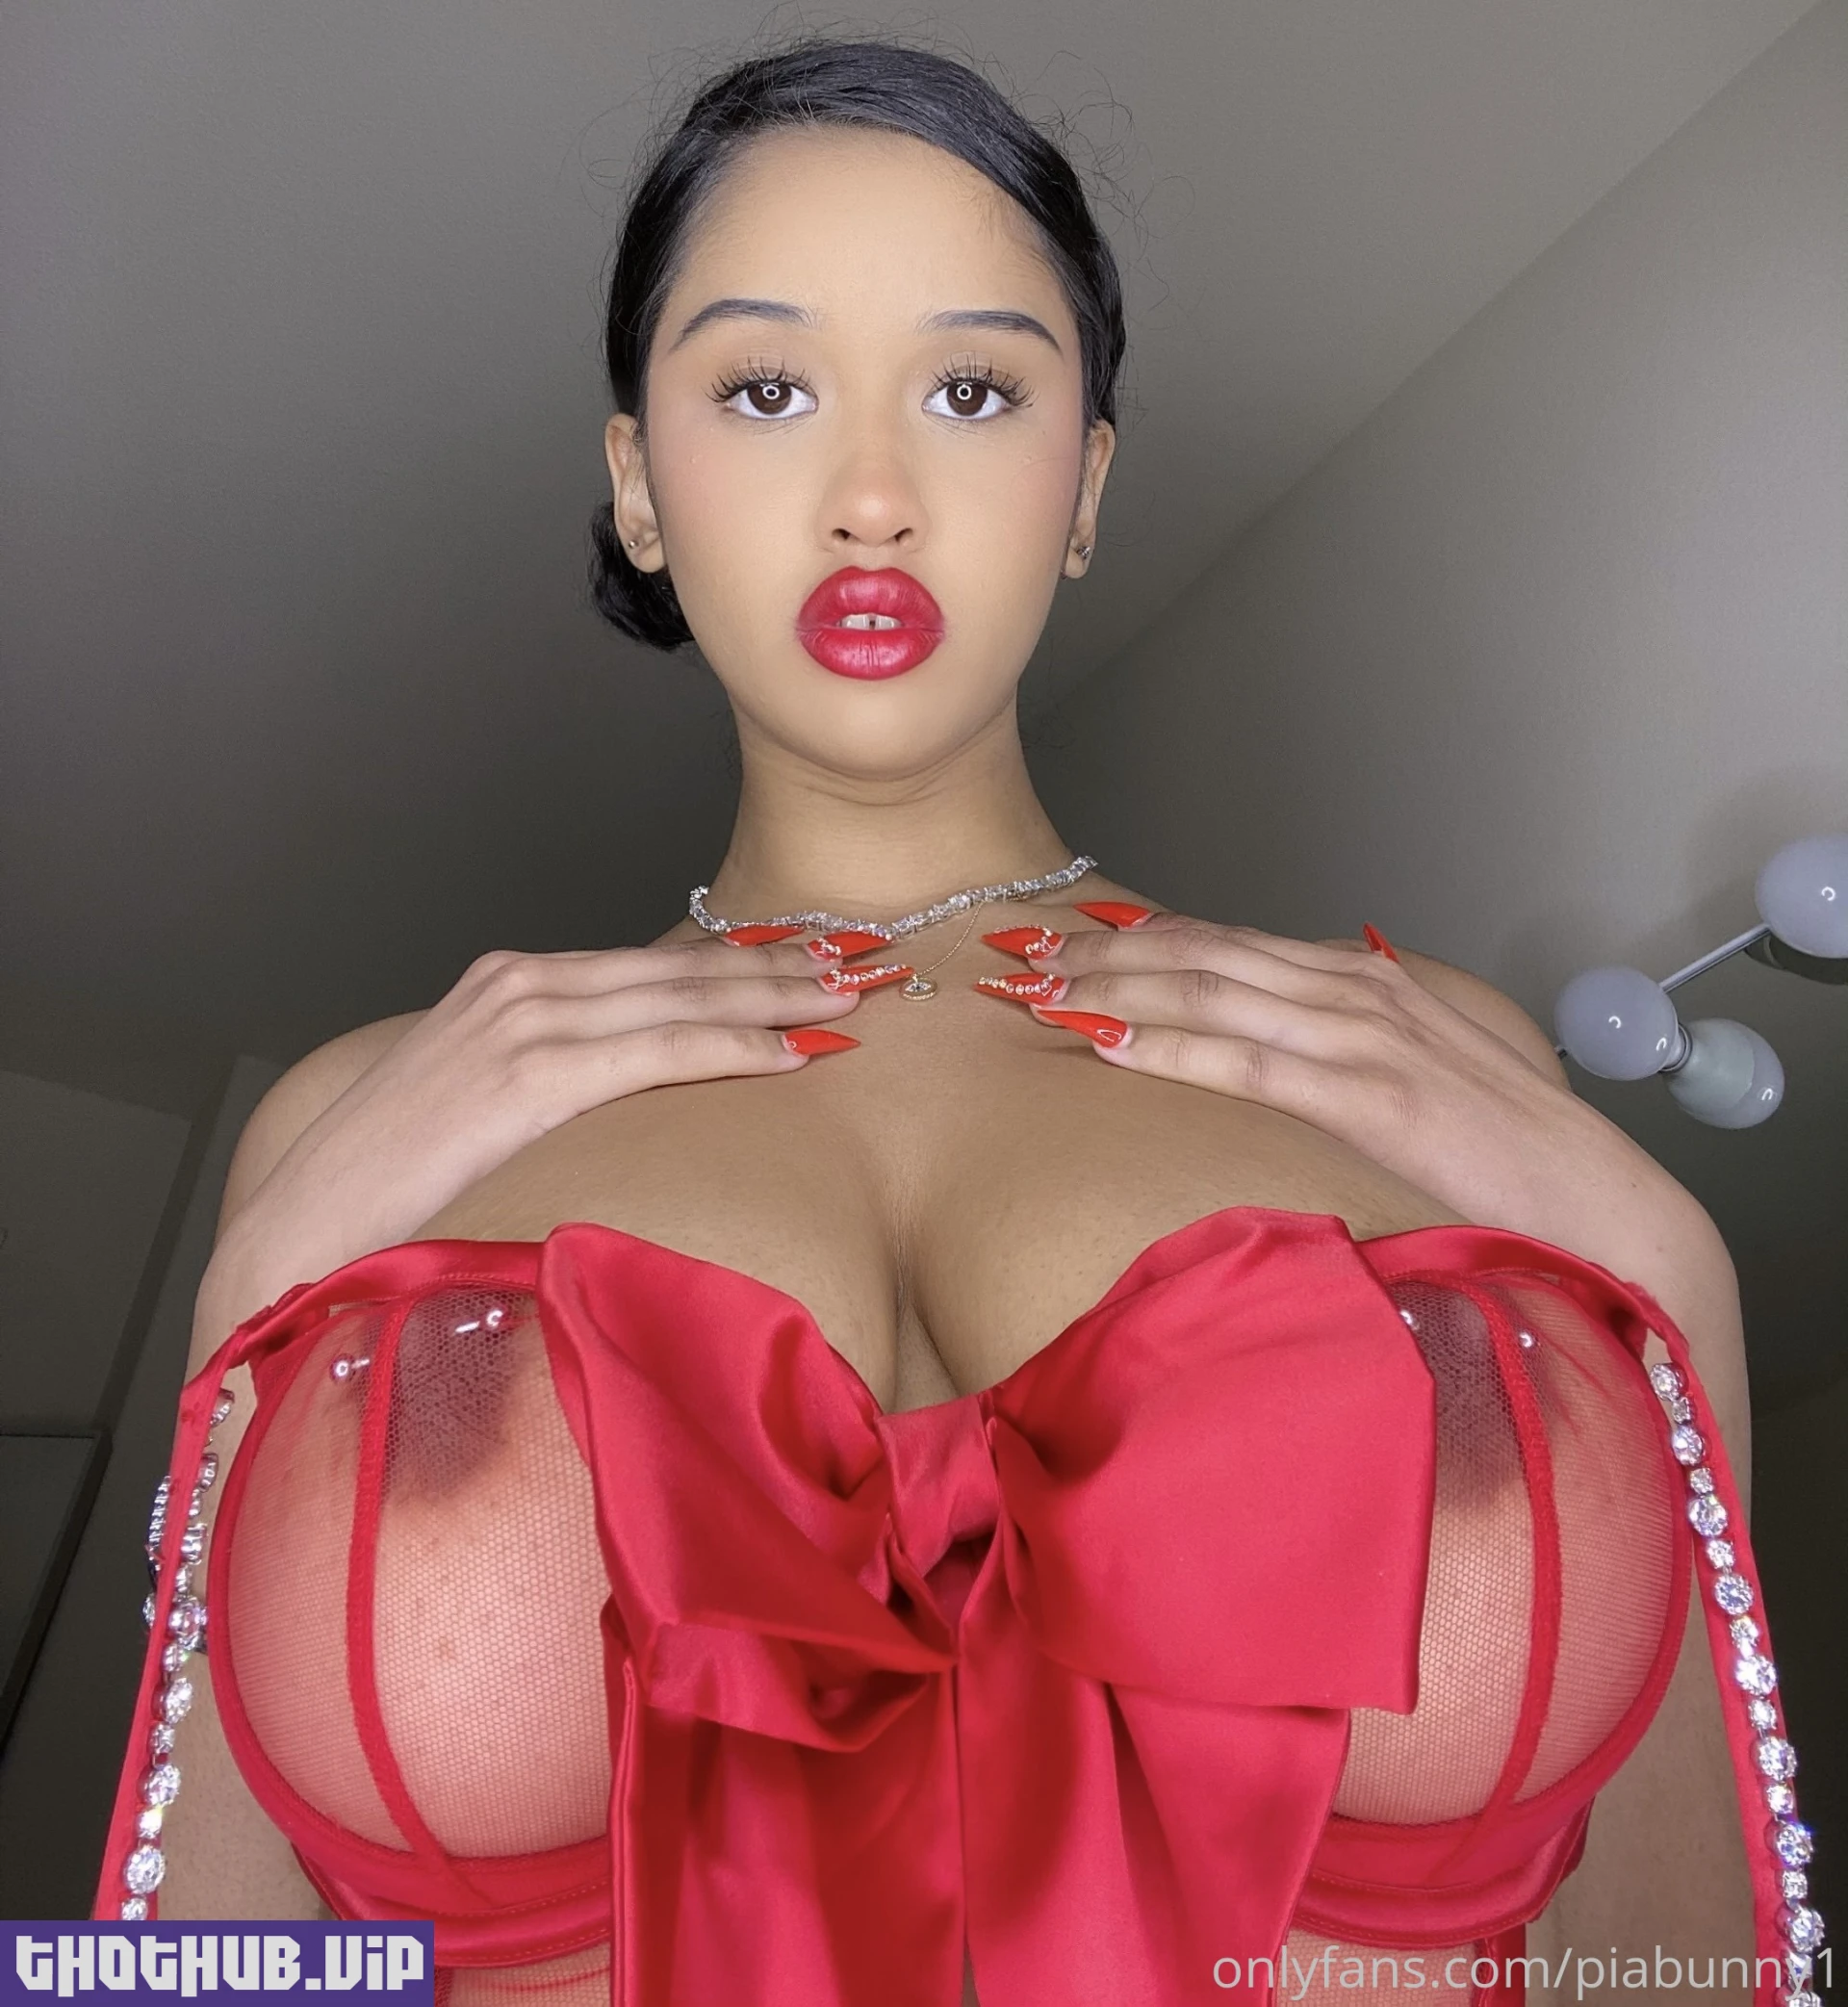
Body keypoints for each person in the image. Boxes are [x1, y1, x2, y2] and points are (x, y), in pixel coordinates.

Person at [97, 36, 1823, 2007]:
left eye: (974, 391)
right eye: (765, 389)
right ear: (638, 485)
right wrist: (240, 1347)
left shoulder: (1429, 1050)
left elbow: (1677, 1953)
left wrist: (1679, 1291)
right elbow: (201, 1963)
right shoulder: (364, 1121)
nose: (872, 500)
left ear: (1086, 486)